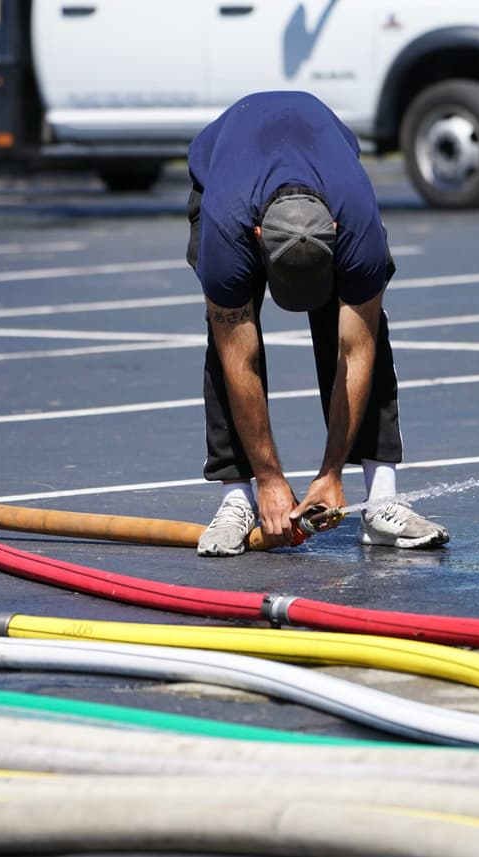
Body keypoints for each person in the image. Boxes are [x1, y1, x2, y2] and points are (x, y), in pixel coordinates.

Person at [186, 91, 450, 557]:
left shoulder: (357, 228)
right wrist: (269, 479)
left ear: (334, 231)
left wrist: (331, 474)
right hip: (226, 169)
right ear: (258, 239)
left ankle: (381, 499)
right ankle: (236, 498)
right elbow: (239, 361)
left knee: (366, 332)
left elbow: (356, 351)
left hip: (327, 177)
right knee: (226, 337)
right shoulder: (226, 230)